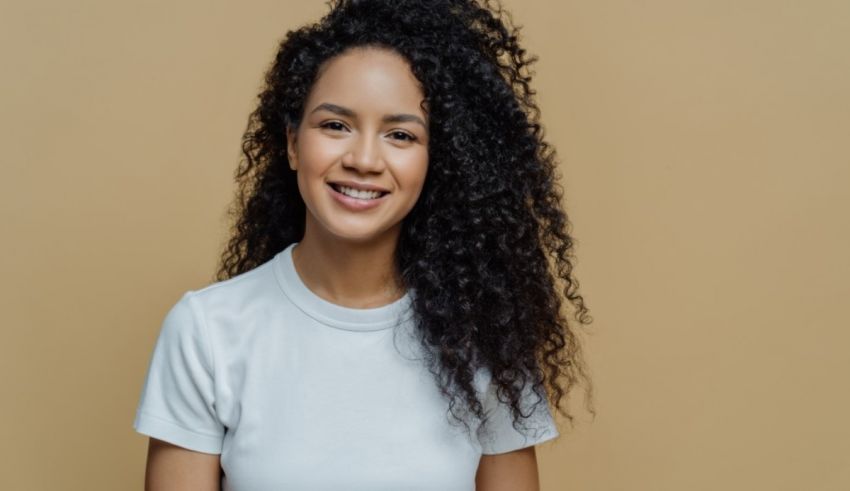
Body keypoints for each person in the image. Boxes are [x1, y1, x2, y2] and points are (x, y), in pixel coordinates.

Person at [133, 0, 594, 489]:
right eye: (335, 125)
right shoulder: (206, 333)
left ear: (436, 160)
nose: (364, 159)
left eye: (400, 134)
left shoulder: (486, 340)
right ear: (292, 143)